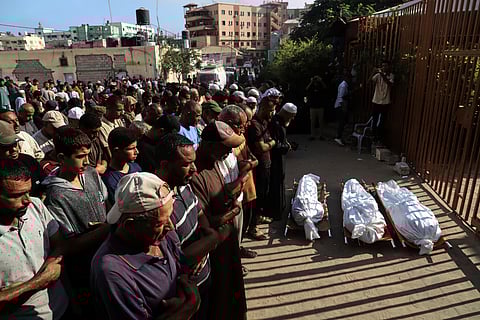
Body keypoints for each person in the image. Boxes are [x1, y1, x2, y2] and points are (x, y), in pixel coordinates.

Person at [90, 172, 201, 320]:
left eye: (169, 217)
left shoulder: (159, 235)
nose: (171, 227)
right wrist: (189, 307)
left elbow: (181, 269)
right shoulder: (113, 272)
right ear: (130, 225)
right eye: (160, 223)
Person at [155, 133, 235, 320]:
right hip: (184, 294)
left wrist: (205, 242)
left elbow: (200, 216)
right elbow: (180, 258)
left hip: (203, 280)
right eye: (186, 164)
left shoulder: (185, 185)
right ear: (165, 165)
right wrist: (214, 238)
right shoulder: (158, 203)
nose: (194, 169)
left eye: (194, 162)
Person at [42, 127, 109, 315]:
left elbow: (106, 203)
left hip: (107, 259)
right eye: (81, 156)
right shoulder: (56, 196)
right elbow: (69, 245)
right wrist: (108, 229)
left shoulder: (91, 174)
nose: (87, 161)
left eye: (88, 154)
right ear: (62, 158)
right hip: (84, 270)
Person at [191, 121, 247, 320]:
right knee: (220, 297)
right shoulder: (195, 174)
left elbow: (222, 194)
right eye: (225, 148)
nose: (228, 153)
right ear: (210, 145)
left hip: (226, 239)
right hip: (214, 247)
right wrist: (233, 212)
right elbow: (206, 221)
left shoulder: (214, 164)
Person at [218, 105, 259, 259]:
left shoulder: (238, 140)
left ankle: (236, 256)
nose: (245, 127)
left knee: (237, 233)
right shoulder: (221, 148)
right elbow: (226, 187)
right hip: (227, 204)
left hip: (239, 198)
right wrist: (244, 175)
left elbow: (251, 159)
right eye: (242, 124)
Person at [247, 97, 276, 239]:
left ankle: (258, 217)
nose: (272, 113)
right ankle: (253, 228)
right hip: (258, 167)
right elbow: (261, 147)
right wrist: (273, 143)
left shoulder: (265, 122)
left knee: (263, 194)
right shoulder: (255, 125)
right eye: (270, 111)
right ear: (263, 108)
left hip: (266, 164)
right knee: (257, 197)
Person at [268, 103, 297, 221]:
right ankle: (275, 212)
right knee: (276, 183)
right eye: (291, 116)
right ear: (285, 113)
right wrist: (286, 147)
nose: (292, 118)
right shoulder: (276, 124)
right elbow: (275, 144)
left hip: (280, 157)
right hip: (275, 158)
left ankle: (279, 208)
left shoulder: (280, 121)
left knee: (280, 180)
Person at [0, 120, 44, 197]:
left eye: (15, 144)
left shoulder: (29, 160)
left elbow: (45, 185)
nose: (14, 149)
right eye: (7, 147)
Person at [102, 127, 141, 205]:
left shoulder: (136, 167)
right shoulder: (109, 180)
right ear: (117, 151)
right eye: (131, 148)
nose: (137, 152)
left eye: (136, 147)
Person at [371, 61, 394, 142]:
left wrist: (382, 74)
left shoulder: (391, 76)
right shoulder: (378, 75)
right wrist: (373, 72)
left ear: (388, 67)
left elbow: (390, 84)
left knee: (382, 121)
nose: (384, 67)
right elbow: (371, 81)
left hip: (385, 102)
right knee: (375, 119)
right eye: (382, 66)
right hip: (376, 100)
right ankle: (374, 136)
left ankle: (379, 137)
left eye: (385, 66)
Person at [98, 95, 125, 162]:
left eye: (122, 110)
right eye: (118, 110)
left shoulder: (118, 121)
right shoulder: (101, 126)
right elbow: (106, 149)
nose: (122, 113)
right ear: (109, 108)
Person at [305, 76, 328, 140]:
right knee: (312, 122)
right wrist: (311, 82)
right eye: (315, 81)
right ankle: (312, 135)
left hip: (320, 107)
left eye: (316, 81)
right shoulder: (311, 88)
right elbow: (306, 89)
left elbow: (325, 87)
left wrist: (321, 81)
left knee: (321, 122)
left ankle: (321, 135)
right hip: (312, 107)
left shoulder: (320, 87)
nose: (315, 82)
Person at [334, 72, 351, 146]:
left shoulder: (345, 85)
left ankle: (340, 137)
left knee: (343, 122)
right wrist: (343, 108)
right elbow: (341, 97)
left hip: (341, 106)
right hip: (340, 106)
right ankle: (338, 137)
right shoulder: (343, 86)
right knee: (342, 122)